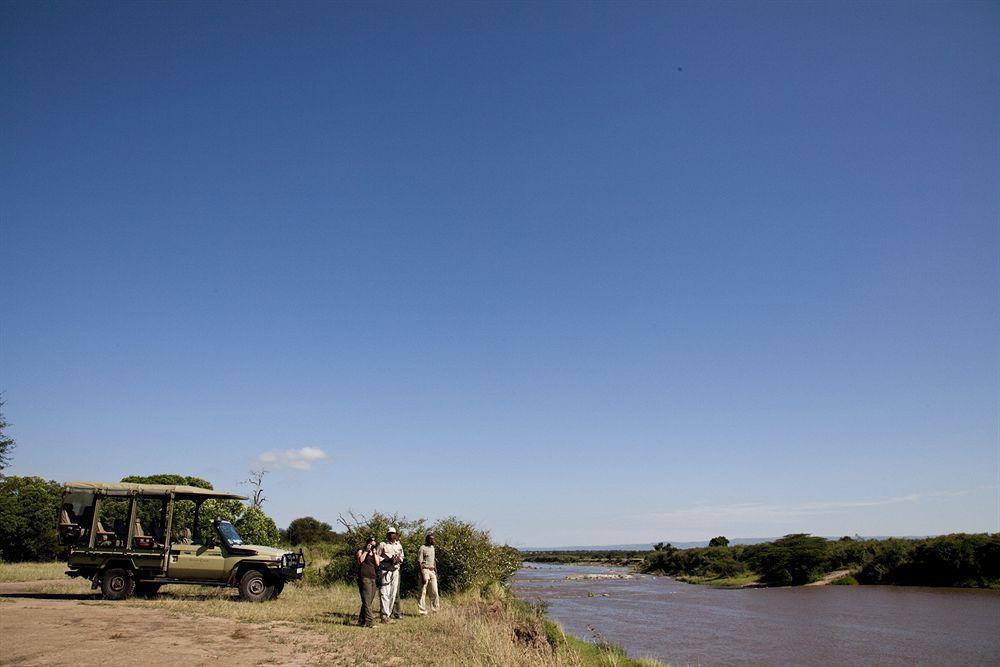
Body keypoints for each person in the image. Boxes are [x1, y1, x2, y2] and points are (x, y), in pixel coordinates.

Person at [377, 527, 404, 622]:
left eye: (393, 533)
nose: (392, 535)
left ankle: (388, 614)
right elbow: (377, 557)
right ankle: (384, 615)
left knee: (393, 594)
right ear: (387, 535)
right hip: (385, 570)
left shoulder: (399, 545)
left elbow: (402, 557)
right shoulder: (382, 544)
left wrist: (397, 560)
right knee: (385, 593)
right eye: (390, 533)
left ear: (396, 534)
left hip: (395, 571)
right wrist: (387, 559)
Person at [356, 536, 381, 627]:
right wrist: (366, 551)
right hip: (364, 577)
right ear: (367, 543)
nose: (372, 545)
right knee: (366, 601)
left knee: (368, 601)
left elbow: (378, 564)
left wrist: (374, 553)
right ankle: (370, 622)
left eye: (374, 544)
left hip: (373, 578)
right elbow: (360, 561)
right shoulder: (361, 550)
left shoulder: (374, 552)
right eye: (370, 543)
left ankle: (361, 620)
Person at [417, 533, 439, 615]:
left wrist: (435, 570)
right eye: (432, 539)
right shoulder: (422, 548)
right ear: (428, 540)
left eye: (434, 539)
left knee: (434, 591)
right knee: (422, 591)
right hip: (425, 570)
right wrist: (422, 575)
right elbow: (419, 562)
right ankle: (422, 611)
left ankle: (435, 609)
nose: (433, 540)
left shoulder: (432, 548)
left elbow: (433, 560)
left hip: (432, 570)